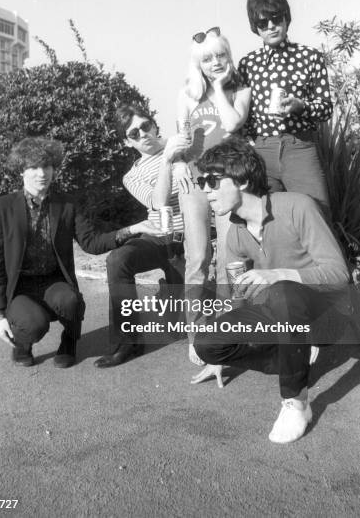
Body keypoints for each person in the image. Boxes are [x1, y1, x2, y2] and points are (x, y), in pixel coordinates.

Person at [190, 137, 350, 443]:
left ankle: (296, 403)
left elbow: (339, 274)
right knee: (207, 343)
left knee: (283, 292)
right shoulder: (236, 233)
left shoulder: (297, 206)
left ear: (244, 179)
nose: (205, 190)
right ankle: (294, 357)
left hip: (330, 315)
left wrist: (277, 274)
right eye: (201, 181)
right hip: (284, 313)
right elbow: (239, 296)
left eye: (212, 180)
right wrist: (220, 346)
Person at [0, 137, 163, 368]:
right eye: (34, 167)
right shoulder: (3, 207)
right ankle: (23, 343)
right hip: (21, 287)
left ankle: (69, 341)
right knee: (32, 325)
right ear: (22, 171)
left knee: (70, 300)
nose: (42, 173)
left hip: (53, 281)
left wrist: (134, 228)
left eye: (47, 166)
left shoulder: (66, 204)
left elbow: (91, 242)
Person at [176, 27, 251, 363]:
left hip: (225, 183)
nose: (216, 62)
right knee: (197, 258)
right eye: (207, 58)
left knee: (228, 261)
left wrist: (220, 87)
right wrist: (177, 163)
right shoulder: (187, 94)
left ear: (228, 56)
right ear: (198, 63)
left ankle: (226, 333)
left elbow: (234, 124)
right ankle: (196, 335)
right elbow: (181, 138)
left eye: (221, 55)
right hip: (193, 182)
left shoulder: (240, 90)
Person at [94, 104, 189, 368]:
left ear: (155, 124)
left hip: (195, 234)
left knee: (179, 329)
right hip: (160, 237)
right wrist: (168, 161)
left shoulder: (184, 145)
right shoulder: (132, 176)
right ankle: (128, 343)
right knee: (118, 260)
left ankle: (169, 296)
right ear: (127, 142)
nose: (143, 134)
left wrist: (176, 152)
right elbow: (157, 203)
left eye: (145, 126)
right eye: (134, 133)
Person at [238, 0, 332, 218]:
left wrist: (301, 106)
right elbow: (243, 114)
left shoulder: (309, 56)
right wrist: (250, 145)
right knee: (269, 221)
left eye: (275, 18)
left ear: (286, 18)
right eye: (262, 23)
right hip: (262, 150)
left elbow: (326, 108)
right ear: (255, 28)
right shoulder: (247, 64)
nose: (270, 26)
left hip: (299, 146)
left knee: (316, 215)